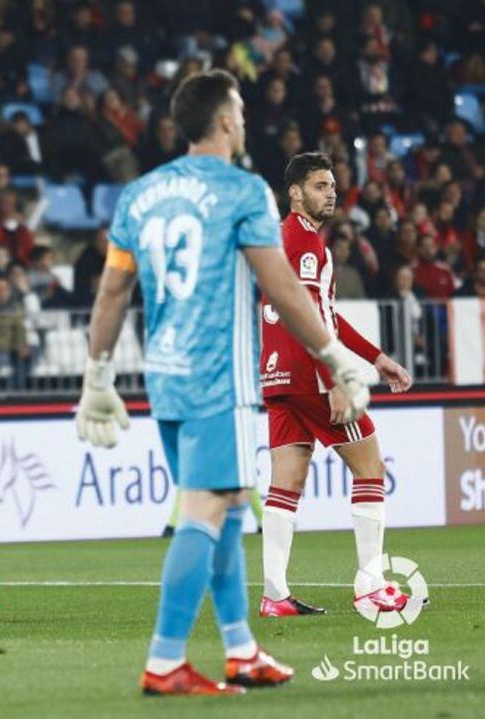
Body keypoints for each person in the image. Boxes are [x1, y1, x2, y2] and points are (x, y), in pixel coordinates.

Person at [74, 70, 371, 696]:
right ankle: (164, 661)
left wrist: (96, 374)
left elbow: (111, 291)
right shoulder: (243, 192)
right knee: (209, 509)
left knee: (234, 505)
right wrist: (334, 356)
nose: (246, 120)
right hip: (219, 378)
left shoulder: (140, 194)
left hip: (166, 375)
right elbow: (283, 288)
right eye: (240, 110)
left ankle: (241, 649)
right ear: (228, 120)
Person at [259, 152, 413, 618]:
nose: (331, 193)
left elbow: (324, 311)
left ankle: (274, 594)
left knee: (286, 481)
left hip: (277, 372)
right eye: (320, 186)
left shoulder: (282, 239)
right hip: (311, 374)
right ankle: (370, 585)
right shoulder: (305, 241)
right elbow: (309, 309)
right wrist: (335, 380)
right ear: (295, 193)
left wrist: (377, 357)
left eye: (331, 185)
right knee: (370, 467)